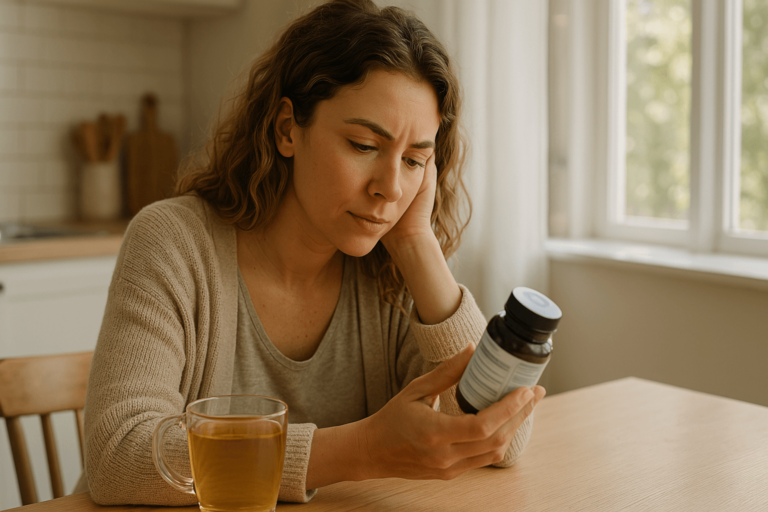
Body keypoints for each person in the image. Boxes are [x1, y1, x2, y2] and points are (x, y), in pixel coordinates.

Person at [80, 0, 546, 505]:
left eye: (414, 159)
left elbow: (503, 439)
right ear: (287, 129)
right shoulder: (173, 242)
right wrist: (360, 449)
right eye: (364, 145)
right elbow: (118, 455)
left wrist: (416, 243)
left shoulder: (391, 267)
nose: (390, 188)